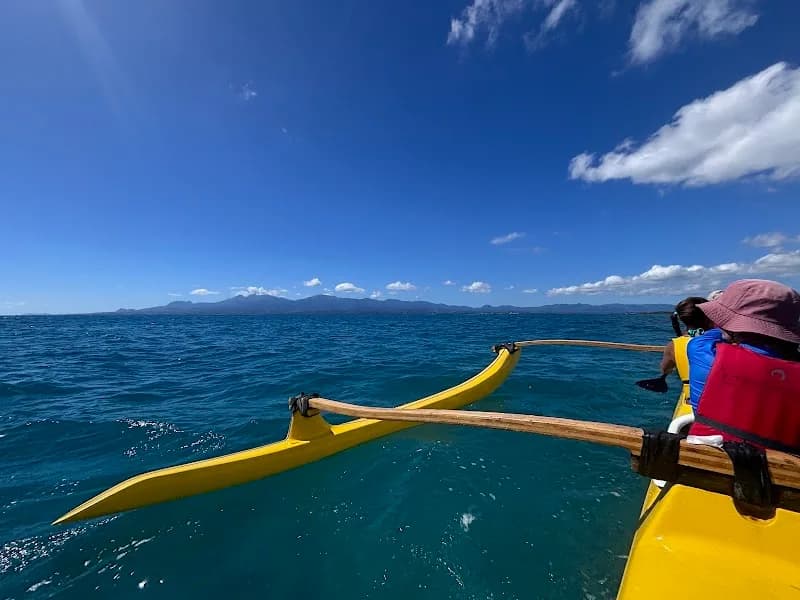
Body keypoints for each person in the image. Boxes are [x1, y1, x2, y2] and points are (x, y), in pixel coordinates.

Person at [687, 279, 800, 451]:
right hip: (784, 472)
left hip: (715, 463)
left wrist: (728, 323)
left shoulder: (703, 352)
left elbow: (711, 334)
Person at [636, 296, 714, 393]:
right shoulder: (721, 340)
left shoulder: (674, 345)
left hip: (689, 399)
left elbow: (665, 369)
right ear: (708, 317)